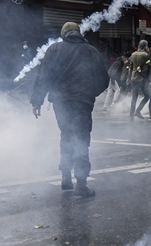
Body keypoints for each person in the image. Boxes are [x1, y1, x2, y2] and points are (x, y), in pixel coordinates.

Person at [30, 22, 109, 197]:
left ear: (63, 33)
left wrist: (37, 101)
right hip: (82, 101)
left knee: (66, 135)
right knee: (81, 138)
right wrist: (90, 93)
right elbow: (104, 79)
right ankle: (81, 184)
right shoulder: (91, 51)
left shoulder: (54, 49)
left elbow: (43, 77)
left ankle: (65, 177)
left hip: (60, 101)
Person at [128, 40, 151, 119]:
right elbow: (148, 65)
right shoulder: (145, 55)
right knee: (147, 96)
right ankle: (138, 110)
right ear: (145, 46)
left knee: (134, 97)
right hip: (142, 78)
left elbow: (130, 67)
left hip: (133, 78)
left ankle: (131, 114)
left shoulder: (133, 54)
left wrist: (129, 78)